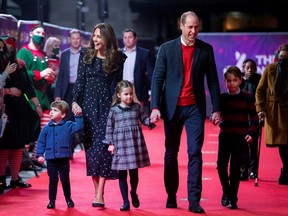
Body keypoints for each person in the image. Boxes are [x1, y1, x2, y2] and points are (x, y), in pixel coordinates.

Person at [150, 11, 221, 213]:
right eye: (190, 27)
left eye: (196, 27)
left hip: (195, 109)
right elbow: (157, 79)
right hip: (172, 108)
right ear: (181, 26)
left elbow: (213, 81)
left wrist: (216, 109)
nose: (193, 31)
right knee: (171, 154)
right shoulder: (166, 49)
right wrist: (155, 106)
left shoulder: (206, 50)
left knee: (194, 152)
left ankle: (194, 200)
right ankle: (171, 195)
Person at [71, 23, 126, 208]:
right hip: (87, 107)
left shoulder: (117, 59)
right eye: (94, 36)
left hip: (106, 107)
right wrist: (74, 102)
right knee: (91, 151)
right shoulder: (86, 56)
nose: (95, 39)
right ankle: (97, 193)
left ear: (107, 38)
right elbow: (80, 81)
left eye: (99, 36)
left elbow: (117, 87)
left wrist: (117, 109)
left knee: (103, 149)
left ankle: (100, 193)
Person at [0, 36, 43, 194]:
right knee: (4, 146)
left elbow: (28, 87)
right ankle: (2, 178)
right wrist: (9, 91)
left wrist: (37, 105)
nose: (10, 50)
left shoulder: (20, 65)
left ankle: (15, 178)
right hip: (4, 109)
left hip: (19, 109)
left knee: (18, 145)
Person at [104, 80, 154, 211]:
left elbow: (143, 118)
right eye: (126, 94)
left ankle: (133, 192)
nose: (129, 97)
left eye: (131, 94)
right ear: (119, 95)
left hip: (134, 144)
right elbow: (109, 128)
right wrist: (110, 143)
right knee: (122, 174)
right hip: (120, 144)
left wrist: (150, 122)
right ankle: (125, 201)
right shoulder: (114, 110)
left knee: (134, 173)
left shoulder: (137, 107)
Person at [217, 66, 258, 209]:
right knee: (221, 166)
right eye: (228, 81)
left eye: (234, 80)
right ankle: (226, 191)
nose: (231, 83)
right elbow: (216, 114)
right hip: (225, 135)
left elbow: (253, 117)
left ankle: (233, 197)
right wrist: (214, 117)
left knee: (235, 169)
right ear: (225, 81)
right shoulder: (222, 97)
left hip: (240, 137)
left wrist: (251, 133)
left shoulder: (247, 97)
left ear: (240, 80)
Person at [17, 24, 56, 168]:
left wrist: (49, 77)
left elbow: (45, 76)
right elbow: (20, 73)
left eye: (43, 33)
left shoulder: (43, 55)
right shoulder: (24, 52)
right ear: (30, 34)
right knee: (28, 129)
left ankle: (36, 157)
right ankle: (23, 160)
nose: (41, 35)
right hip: (29, 96)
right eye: (38, 32)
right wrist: (40, 74)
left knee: (44, 128)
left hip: (43, 96)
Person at [36, 100, 84, 209]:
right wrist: (40, 154)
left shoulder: (68, 125)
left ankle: (68, 198)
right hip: (51, 160)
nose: (51, 112)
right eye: (51, 110)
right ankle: (52, 201)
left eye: (55, 110)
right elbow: (41, 142)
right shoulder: (46, 128)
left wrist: (78, 116)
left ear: (63, 114)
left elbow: (79, 127)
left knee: (65, 180)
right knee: (53, 180)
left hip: (63, 159)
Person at [255, 43, 288, 185]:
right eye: (281, 57)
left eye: (286, 57)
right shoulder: (271, 69)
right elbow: (260, 90)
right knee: (283, 143)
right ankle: (286, 170)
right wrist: (260, 109)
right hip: (275, 111)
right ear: (277, 56)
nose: (283, 59)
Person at [54, 29, 83, 159]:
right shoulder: (64, 54)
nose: (75, 40)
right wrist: (58, 95)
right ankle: (69, 149)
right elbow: (60, 77)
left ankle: (84, 143)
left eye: (78, 38)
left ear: (81, 40)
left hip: (82, 89)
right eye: (73, 38)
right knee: (68, 121)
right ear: (69, 40)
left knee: (83, 118)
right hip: (68, 90)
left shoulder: (86, 54)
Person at [121, 28, 154, 115]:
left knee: (139, 116)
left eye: (130, 37)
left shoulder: (144, 53)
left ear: (135, 38)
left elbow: (151, 74)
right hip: (121, 87)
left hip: (137, 89)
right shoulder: (118, 53)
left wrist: (153, 92)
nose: (127, 40)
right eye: (125, 37)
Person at [239, 59, 261, 180]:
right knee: (242, 145)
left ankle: (253, 170)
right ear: (243, 68)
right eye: (247, 68)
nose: (250, 70)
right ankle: (244, 169)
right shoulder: (239, 79)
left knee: (253, 145)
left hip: (254, 116)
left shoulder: (258, 79)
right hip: (242, 116)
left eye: (252, 68)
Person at [43, 36, 61, 103]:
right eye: (55, 46)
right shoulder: (44, 57)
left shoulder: (60, 58)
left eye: (59, 46)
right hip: (46, 86)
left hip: (56, 87)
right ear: (50, 47)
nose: (58, 48)